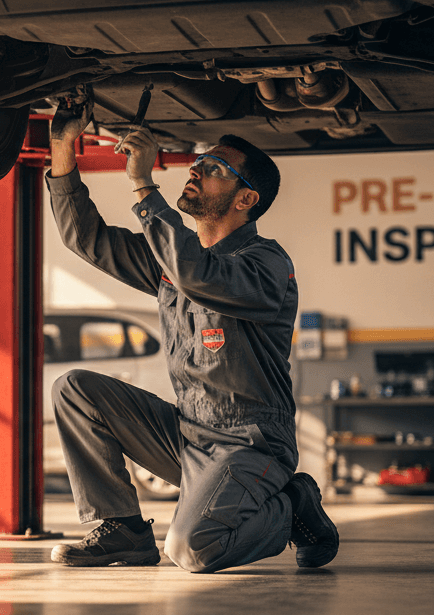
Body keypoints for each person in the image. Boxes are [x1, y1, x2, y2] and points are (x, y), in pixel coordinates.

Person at [44, 101, 339, 573]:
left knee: (193, 549)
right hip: (186, 436)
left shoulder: (266, 263)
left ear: (245, 199)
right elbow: (86, 237)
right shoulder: (171, 259)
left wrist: (143, 186)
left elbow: (199, 274)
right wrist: (63, 146)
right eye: (199, 163)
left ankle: (292, 506)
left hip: (250, 444)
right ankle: (121, 529)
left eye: (215, 168)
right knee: (75, 389)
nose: (197, 170)